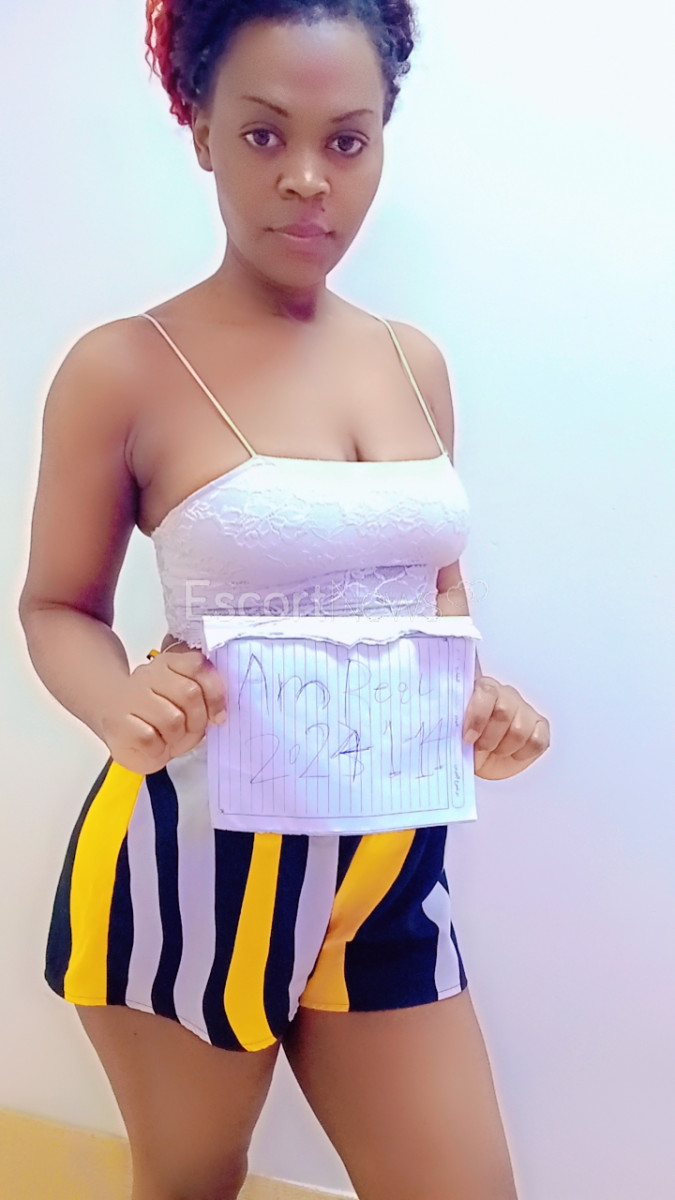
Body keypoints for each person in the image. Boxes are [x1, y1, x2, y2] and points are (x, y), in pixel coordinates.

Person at [17, 2, 536, 1197]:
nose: (308, 178)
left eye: (346, 140)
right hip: (193, 864)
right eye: (264, 135)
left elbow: (432, 581)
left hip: (391, 868)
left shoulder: (414, 361)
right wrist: (119, 700)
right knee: (193, 1183)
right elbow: (55, 606)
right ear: (201, 133)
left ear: (382, 141)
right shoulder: (122, 366)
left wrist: (480, 692)